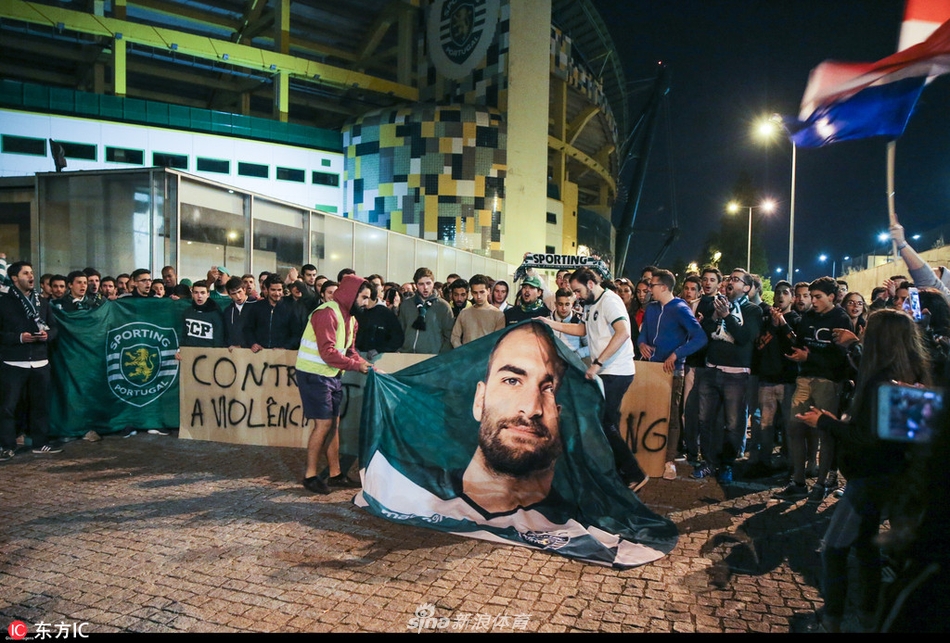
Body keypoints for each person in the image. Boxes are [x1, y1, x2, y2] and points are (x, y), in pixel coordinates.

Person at [796, 309, 932, 633]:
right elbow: (900, 434)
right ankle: (869, 615)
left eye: (869, 331)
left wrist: (824, 422)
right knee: (866, 547)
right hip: (895, 474)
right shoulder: (913, 373)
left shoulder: (881, 382)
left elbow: (868, 439)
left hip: (871, 477)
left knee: (834, 549)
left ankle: (833, 620)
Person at [542, 267, 649, 492]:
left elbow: (623, 332)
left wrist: (597, 363)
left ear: (590, 284)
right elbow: (584, 330)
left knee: (604, 422)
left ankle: (633, 473)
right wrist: (550, 324)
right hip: (606, 371)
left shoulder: (610, 301)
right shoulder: (591, 304)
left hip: (616, 371)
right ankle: (620, 472)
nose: (576, 296)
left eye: (578, 291)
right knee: (606, 422)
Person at [775, 276, 854, 501]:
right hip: (804, 379)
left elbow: (840, 358)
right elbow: (799, 343)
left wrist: (809, 357)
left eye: (818, 297)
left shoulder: (841, 318)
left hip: (828, 381)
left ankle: (820, 484)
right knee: (794, 427)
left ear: (832, 297)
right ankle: (798, 481)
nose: (813, 301)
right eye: (812, 296)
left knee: (825, 433)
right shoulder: (808, 317)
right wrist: (784, 329)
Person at [297, 274, 375, 494]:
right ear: (352, 295)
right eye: (364, 297)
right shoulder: (327, 313)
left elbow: (350, 351)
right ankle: (310, 476)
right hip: (314, 375)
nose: (366, 302)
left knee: (333, 424)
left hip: (330, 375)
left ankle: (335, 474)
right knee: (323, 425)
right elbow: (328, 352)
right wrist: (357, 366)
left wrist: (367, 365)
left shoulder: (351, 319)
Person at [693, 268, 763, 484]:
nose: (730, 282)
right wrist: (715, 316)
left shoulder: (752, 310)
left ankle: (727, 465)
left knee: (733, 424)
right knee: (705, 419)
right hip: (711, 371)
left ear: (747, 287)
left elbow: (744, 337)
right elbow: (705, 332)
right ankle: (708, 461)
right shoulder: (718, 304)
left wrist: (727, 317)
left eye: (736, 279)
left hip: (736, 376)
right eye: (729, 278)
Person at [637, 269, 708, 481]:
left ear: (664, 287)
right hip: (650, 369)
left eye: (652, 285)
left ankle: (669, 461)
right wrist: (641, 343)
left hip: (672, 371)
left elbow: (700, 338)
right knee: (649, 412)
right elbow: (643, 333)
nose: (649, 289)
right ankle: (646, 456)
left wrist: (677, 354)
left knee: (671, 415)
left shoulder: (680, 308)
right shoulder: (651, 309)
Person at [0, 261, 61, 460]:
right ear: (15, 278)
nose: (31, 276)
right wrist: (19, 338)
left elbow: (54, 328)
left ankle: (40, 443)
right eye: (25, 273)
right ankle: (7, 446)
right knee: (8, 407)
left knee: (40, 405)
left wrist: (47, 335)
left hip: (40, 362)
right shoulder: (4, 302)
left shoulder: (42, 301)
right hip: (14, 362)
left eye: (31, 272)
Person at [398, 267, 454, 354]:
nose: (425, 287)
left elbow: (449, 334)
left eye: (428, 283)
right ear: (416, 285)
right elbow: (400, 331)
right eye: (421, 284)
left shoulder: (443, 306)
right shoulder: (406, 305)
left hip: (432, 356)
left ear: (433, 283)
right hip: (407, 354)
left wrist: (441, 355)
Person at [246, 275, 302, 351]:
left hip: (284, 354)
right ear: (267, 289)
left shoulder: (291, 308)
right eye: (273, 290)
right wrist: (253, 343)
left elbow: (297, 334)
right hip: (260, 353)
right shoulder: (257, 307)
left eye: (279, 290)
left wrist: (285, 347)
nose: (277, 293)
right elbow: (248, 329)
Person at [451, 274, 505, 347]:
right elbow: (455, 337)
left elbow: (498, 340)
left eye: (482, 292)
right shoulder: (464, 313)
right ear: (471, 293)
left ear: (488, 291)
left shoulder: (498, 314)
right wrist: (462, 351)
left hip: (487, 353)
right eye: (475, 293)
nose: (479, 296)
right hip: (467, 353)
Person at [177, 279, 225, 354]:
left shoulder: (216, 314)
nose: (199, 296)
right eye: (196, 292)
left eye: (202, 293)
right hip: (190, 354)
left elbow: (219, 339)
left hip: (209, 355)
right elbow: (183, 335)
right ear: (192, 294)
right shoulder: (187, 312)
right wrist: (179, 350)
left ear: (208, 294)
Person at [221, 276, 255, 350]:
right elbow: (226, 333)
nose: (238, 296)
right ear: (229, 295)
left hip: (253, 351)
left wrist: (243, 346)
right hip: (233, 351)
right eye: (233, 294)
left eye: (239, 292)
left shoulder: (256, 306)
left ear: (244, 290)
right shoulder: (228, 311)